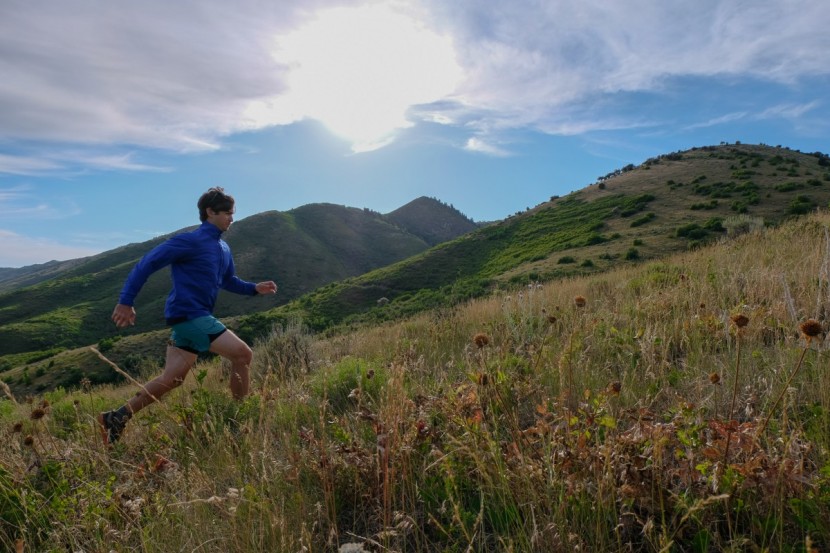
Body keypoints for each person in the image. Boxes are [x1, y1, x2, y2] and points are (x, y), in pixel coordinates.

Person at [97, 187, 277, 445]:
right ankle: (240, 418)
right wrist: (126, 301)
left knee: (173, 379)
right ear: (210, 212)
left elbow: (228, 281)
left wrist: (254, 289)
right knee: (243, 354)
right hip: (189, 315)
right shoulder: (189, 241)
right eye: (226, 213)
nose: (231, 218)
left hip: (193, 316)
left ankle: (117, 417)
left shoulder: (223, 248)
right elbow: (146, 263)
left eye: (233, 213)